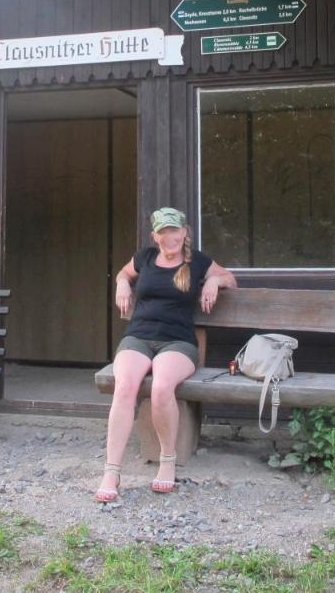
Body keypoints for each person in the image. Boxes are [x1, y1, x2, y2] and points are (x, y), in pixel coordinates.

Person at [96, 207, 237, 502]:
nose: (169, 237)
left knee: (161, 387)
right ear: (155, 236)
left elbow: (229, 278)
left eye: (175, 230)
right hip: (138, 337)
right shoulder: (144, 258)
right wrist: (122, 282)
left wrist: (213, 281)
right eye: (163, 232)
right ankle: (112, 471)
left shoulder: (197, 261)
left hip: (177, 343)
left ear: (184, 232)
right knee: (125, 386)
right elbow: (124, 271)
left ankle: (167, 461)